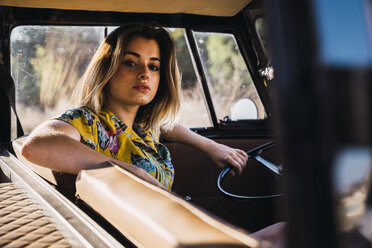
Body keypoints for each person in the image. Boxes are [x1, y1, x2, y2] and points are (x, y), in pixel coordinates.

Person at [21, 22, 248, 192]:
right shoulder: (88, 121)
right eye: (130, 62)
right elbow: (36, 145)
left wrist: (211, 147)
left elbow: (166, 124)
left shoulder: (143, 127)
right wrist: (128, 170)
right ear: (107, 70)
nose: (145, 74)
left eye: (154, 66)